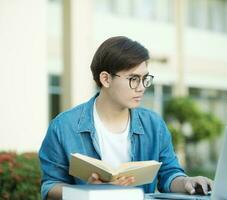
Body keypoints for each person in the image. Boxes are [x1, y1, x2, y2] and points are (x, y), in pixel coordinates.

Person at [39, 36, 213, 200]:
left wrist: (187, 182)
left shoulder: (154, 125)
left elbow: (169, 175)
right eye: (133, 79)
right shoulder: (64, 126)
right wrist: (88, 193)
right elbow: (50, 186)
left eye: (145, 79)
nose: (141, 88)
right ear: (106, 79)